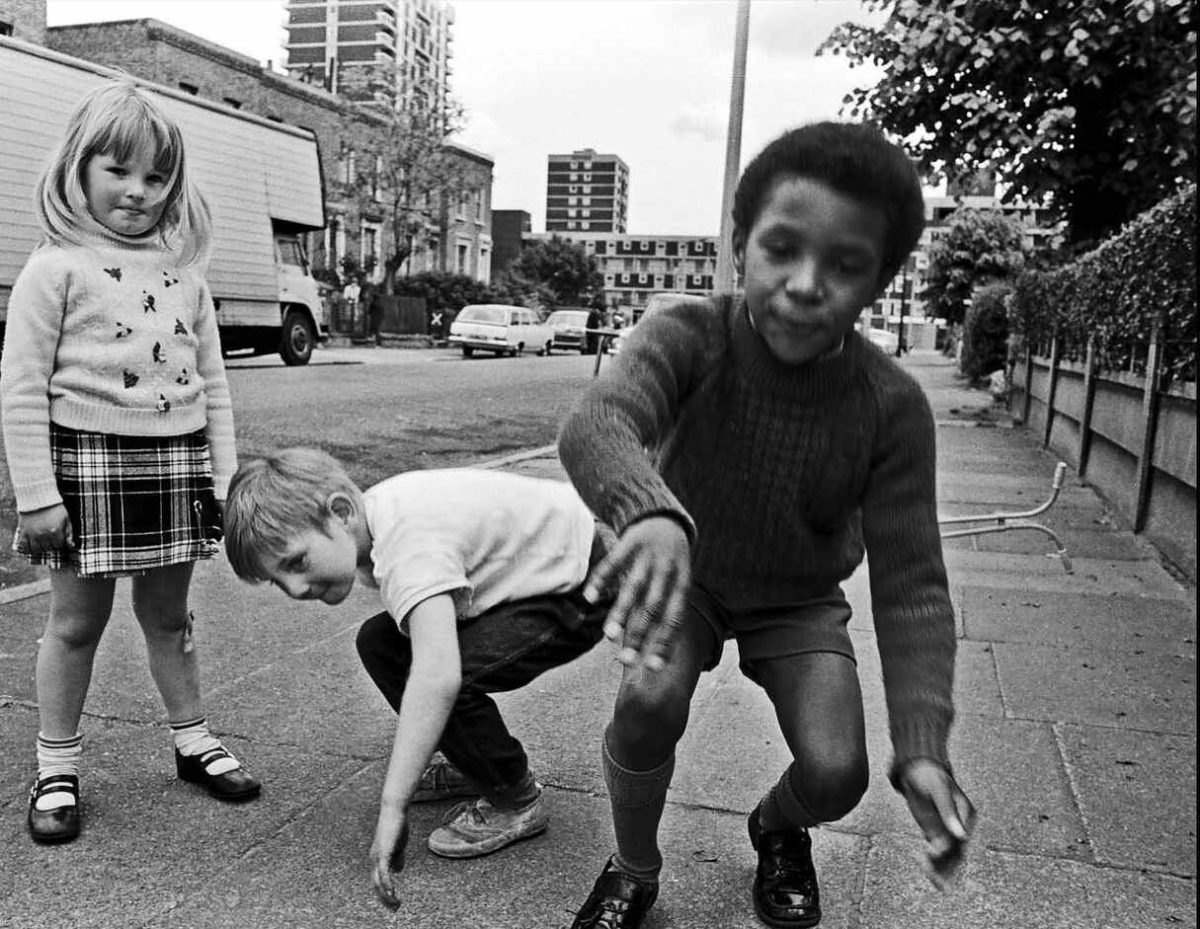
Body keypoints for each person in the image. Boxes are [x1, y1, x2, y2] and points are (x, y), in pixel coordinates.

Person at [557, 122, 975, 929]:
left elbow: (914, 586)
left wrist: (923, 748)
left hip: (797, 597)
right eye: (781, 248)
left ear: (881, 280)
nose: (806, 283)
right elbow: (600, 421)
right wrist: (647, 512)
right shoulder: (690, 335)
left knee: (837, 769)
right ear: (742, 243)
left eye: (846, 264)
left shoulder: (891, 407)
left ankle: (777, 827)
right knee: (648, 695)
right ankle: (633, 868)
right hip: (688, 576)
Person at [0, 80, 260, 846]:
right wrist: (37, 494)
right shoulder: (56, 269)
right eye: (119, 171)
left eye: (156, 177)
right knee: (75, 623)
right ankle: (56, 765)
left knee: (170, 619)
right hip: (84, 469)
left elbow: (212, 385)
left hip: (174, 467)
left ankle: (192, 739)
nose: (139, 191)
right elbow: (19, 387)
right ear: (77, 168)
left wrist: (223, 479)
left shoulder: (188, 275)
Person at [222, 447, 614, 907]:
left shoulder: (407, 547)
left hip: (581, 586)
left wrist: (393, 806)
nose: (295, 590)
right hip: (549, 565)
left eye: (295, 563)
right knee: (381, 642)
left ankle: (515, 799)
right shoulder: (378, 515)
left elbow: (437, 677)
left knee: (444, 676)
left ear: (340, 512)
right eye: (277, 581)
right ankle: (476, 763)